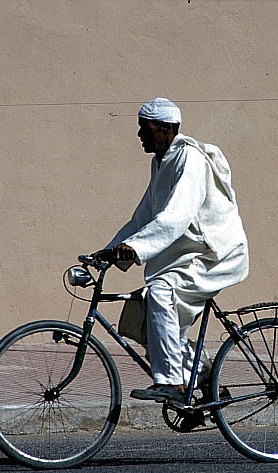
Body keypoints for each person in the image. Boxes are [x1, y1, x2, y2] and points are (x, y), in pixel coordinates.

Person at [104, 97, 249, 405]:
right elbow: (144, 217)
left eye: (146, 129)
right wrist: (109, 251)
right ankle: (207, 377)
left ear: (166, 129)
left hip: (213, 255)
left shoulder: (189, 160)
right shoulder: (161, 162)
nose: (140, 135)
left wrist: (136, 248)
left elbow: (176, 216)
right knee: (150, 319)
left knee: (160, 293)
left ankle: (172, 383)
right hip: (189, 256)